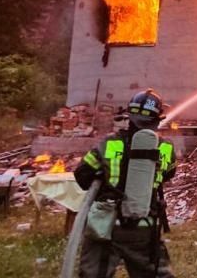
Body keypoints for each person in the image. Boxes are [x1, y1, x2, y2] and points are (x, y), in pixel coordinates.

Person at [74, 89, 177, 278]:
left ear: (129, 116)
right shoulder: (166, 148)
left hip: (106, 226)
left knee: (93, 274)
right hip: (144, 227)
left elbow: (82, 175)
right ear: (157, 120)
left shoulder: (108, 144)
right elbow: (169, 173)